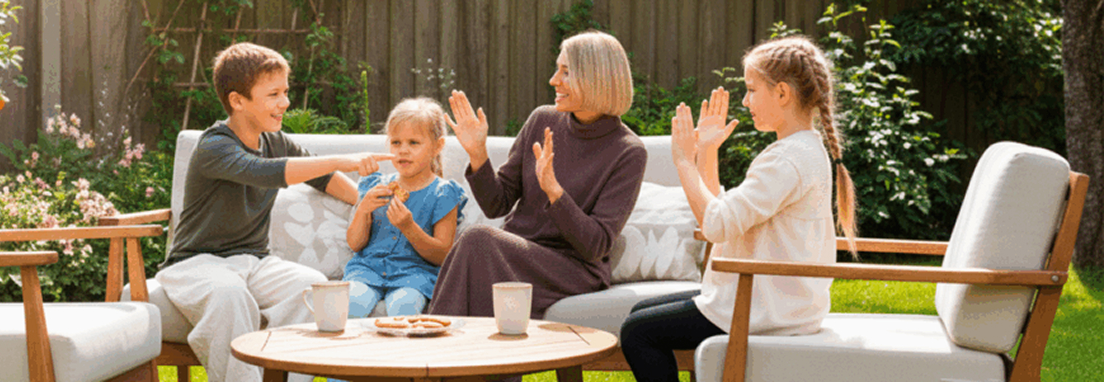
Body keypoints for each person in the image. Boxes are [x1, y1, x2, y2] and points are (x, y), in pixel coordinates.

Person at [619, 35, 860, 382]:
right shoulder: (803, 150)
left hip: (767, 309)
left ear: (782, 93)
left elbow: (716, 224)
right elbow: (723, 215)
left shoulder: (786, 160)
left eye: (751, 89)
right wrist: (709, 150)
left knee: (638, 332)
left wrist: (685, 162)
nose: (745, 101)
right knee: (643, 312)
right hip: (774, 302)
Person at [154, 42, 393, 382]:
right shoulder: (214, 146)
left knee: (311, 286)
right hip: (195, 263)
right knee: (228, 295)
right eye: (273, 95)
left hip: (253, 260)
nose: (285, 103)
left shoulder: (275, 139)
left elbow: (323, 177)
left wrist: (368, 202)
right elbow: (266, 172)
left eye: (285, 92)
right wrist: (346, 157)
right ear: (238, 101)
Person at [430, 30, 647, 319]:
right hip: (518, 252)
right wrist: (477, 153)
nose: (553, 80)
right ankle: (457, 351)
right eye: (557, 69)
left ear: (595, 77)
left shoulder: (628, 151)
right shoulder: (542, 120)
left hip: (572, 268)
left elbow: (596, 245)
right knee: (479, 243)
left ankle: (437, 343)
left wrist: (555, 192)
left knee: (478, 240)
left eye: (565, 72)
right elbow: (497, 203)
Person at [343, 97, 468, 318]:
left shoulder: (444, 193)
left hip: (414, 276)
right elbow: (355, 243)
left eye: (413, 143)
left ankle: (402, 353)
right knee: (350, 307)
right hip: (366, 272)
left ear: (437, 146)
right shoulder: (375, 185)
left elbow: (443, 255)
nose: (403, 150)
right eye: (396, 142)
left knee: (404, 309)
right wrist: (363, 210)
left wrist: (408, 227)